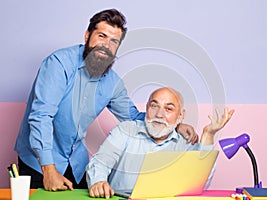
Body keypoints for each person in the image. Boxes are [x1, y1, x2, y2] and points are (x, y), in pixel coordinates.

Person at [14, 9, 198, 191]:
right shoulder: (58, 64)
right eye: (101, 36)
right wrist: (48, 168)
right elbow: (41, 117)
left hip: (76, 165)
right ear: (87, 36)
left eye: (114, 41)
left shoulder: (113, 83)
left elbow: (133, 117)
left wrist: (171, 124)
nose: (106, 45)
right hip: (39, 164)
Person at [86, 87, 234, 199]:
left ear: (180, 116)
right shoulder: (124, 131)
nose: (159, 114)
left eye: (168, 109)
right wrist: (98, 181)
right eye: (154, 106)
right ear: (147, 108)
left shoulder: (187, 142)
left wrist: (209, 135)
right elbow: (100, 162)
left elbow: (200, 183)